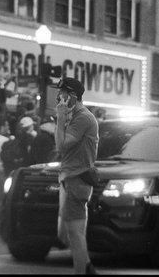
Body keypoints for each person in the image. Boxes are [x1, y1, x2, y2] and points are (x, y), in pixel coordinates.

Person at [52, 77, 100, 275]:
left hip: (76, 179)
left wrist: (61, 118)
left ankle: (83, 270)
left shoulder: (82, 117)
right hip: (70, 179)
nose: (59, 97)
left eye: (62, 93)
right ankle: (87, 266)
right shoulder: (77, 116)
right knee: (65, 233)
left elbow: (61, 146)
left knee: (75, 233)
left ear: (72, 96)